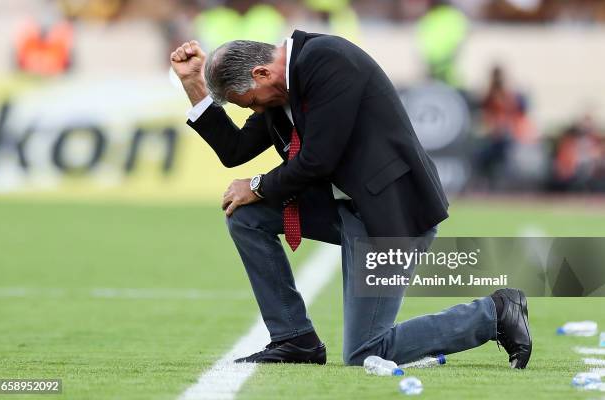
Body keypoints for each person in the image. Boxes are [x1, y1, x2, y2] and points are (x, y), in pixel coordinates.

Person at [170, 30, 532, 368]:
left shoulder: (327, 59)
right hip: (345, 208)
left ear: (262, 73)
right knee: (246, 217)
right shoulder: (280, 89)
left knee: (367, 352)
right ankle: (295, 339)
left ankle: (495, 313)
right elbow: (234, 150)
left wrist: (259, 184)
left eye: (249, 103)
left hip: (391, 213)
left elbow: (318, 158)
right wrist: (193, 85)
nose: (255, 111)